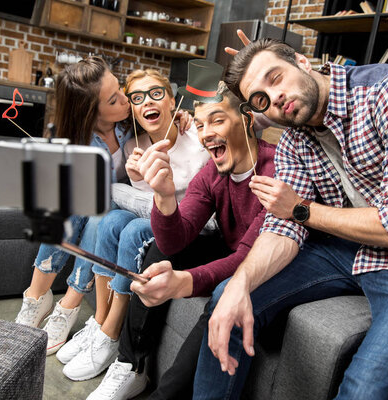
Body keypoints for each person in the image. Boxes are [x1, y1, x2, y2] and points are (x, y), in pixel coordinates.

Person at [192, 38, 388, 400]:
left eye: (276, 76)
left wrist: (301, 208)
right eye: (262, 97)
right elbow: (283, 225)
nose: (277, 96)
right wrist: (239, 283)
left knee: (366, 389)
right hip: (348, 247)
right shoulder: (294, 140)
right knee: (227, 299)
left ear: (303, 60)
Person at [86, 81, 276, 400]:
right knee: (160, 249)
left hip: (265, 259)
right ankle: (131, 365)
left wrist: (184, 282)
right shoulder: (212, 172)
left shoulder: (277, 168)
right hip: (233, 249)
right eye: (200, 124)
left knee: (223, 293)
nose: (206, 133)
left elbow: (248, 256)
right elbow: (175, 241)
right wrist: (163, 196)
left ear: (245, 119)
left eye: (217, 120)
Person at [14, 58, 191, 357]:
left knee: (100, 212)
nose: (125, 100)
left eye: (122, 91)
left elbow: (160, 112)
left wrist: (182, 114)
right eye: (114, 100)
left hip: (126, 206)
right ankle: (35, 297)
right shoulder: (79, 143)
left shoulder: (130, 121)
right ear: (91, 111)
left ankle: (68, 304)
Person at [59, 68, 210, 381]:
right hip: (160, 217)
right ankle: (102, 325)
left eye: (156, 94)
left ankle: (112, 334)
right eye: (136, 98)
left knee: (133, 228)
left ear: (172, 100)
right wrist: (136, 178)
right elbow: (147, 207)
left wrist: (191, 117)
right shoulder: (133, 147)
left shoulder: (198, 132)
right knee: (110, 219)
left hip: (197, 226)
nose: (146, 102)